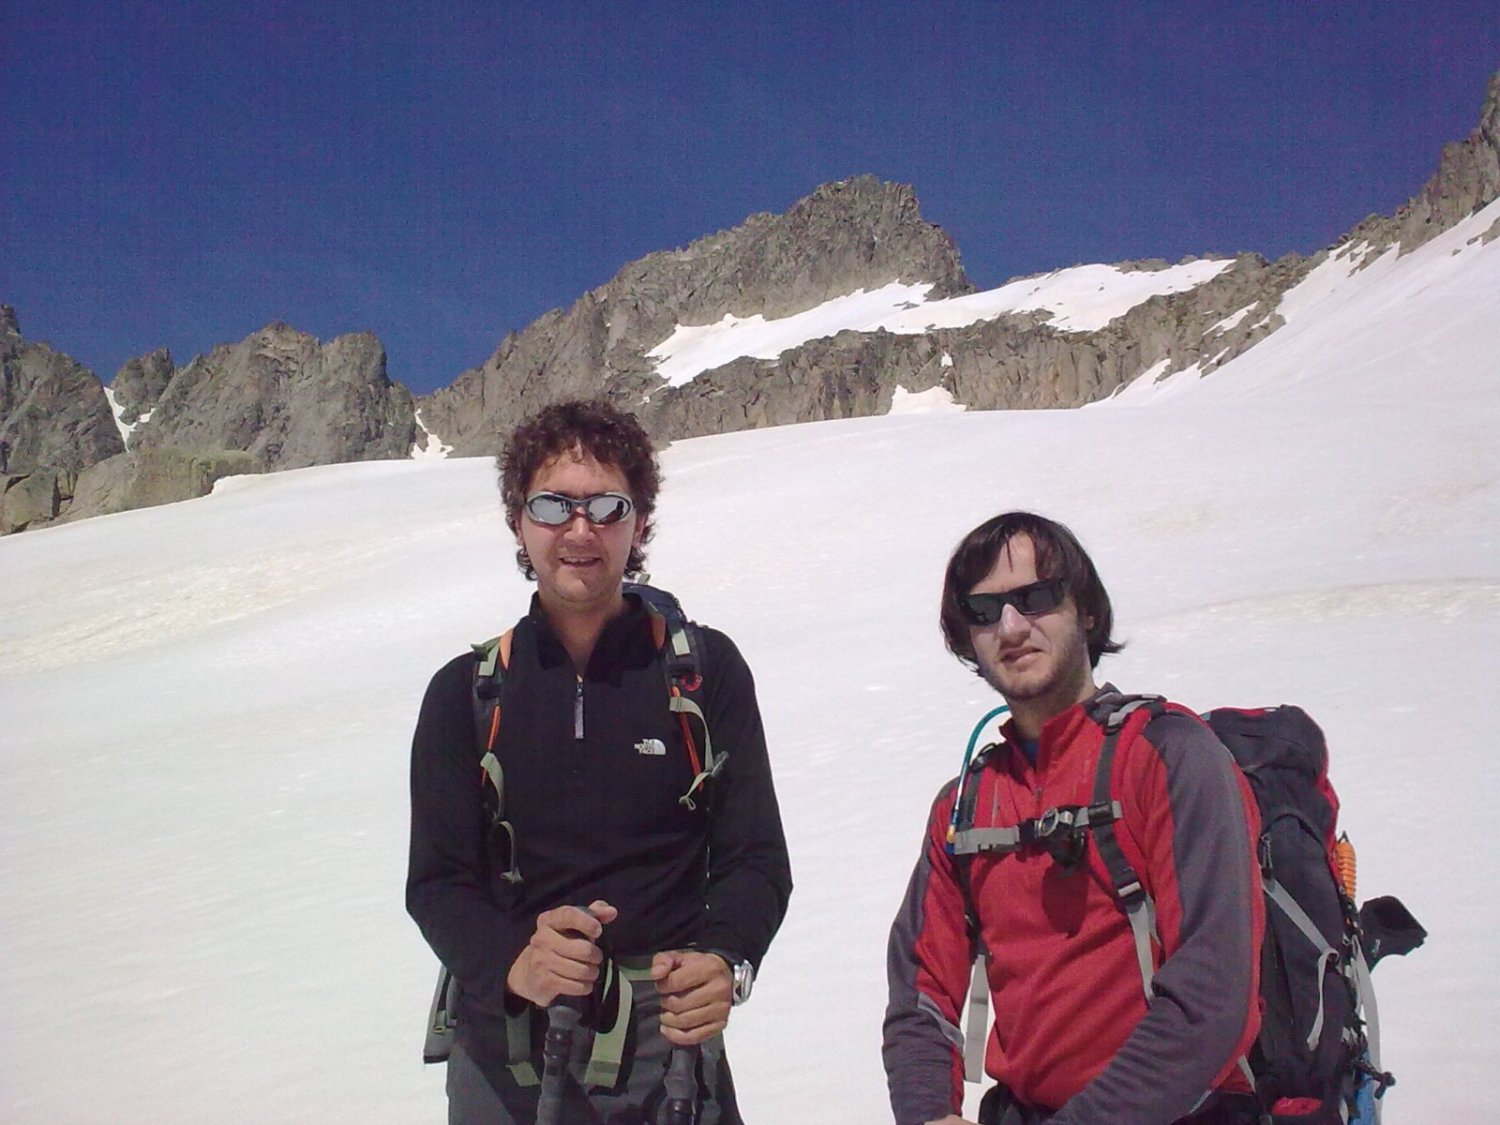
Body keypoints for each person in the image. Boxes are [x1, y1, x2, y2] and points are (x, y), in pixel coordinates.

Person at [407, 399, 792, 1123]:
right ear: (519, 522)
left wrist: (727, 960)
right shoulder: (466, 693)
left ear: (638, 522)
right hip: (510, 1048)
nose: (580, 530)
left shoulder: (705, 673)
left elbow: (756, 858)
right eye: (553, 505)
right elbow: (438, 881)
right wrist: (514, 962)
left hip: (671, 1051)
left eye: (607, 506)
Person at [883, 511, 1264, 1125]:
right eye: (983, 611)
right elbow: (921, 988)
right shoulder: (967, 802)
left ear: (1086, 610)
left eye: (1035, 598)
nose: (1010, 627)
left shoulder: (1168, 758)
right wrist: (928, 1111)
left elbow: (1212, 1000)